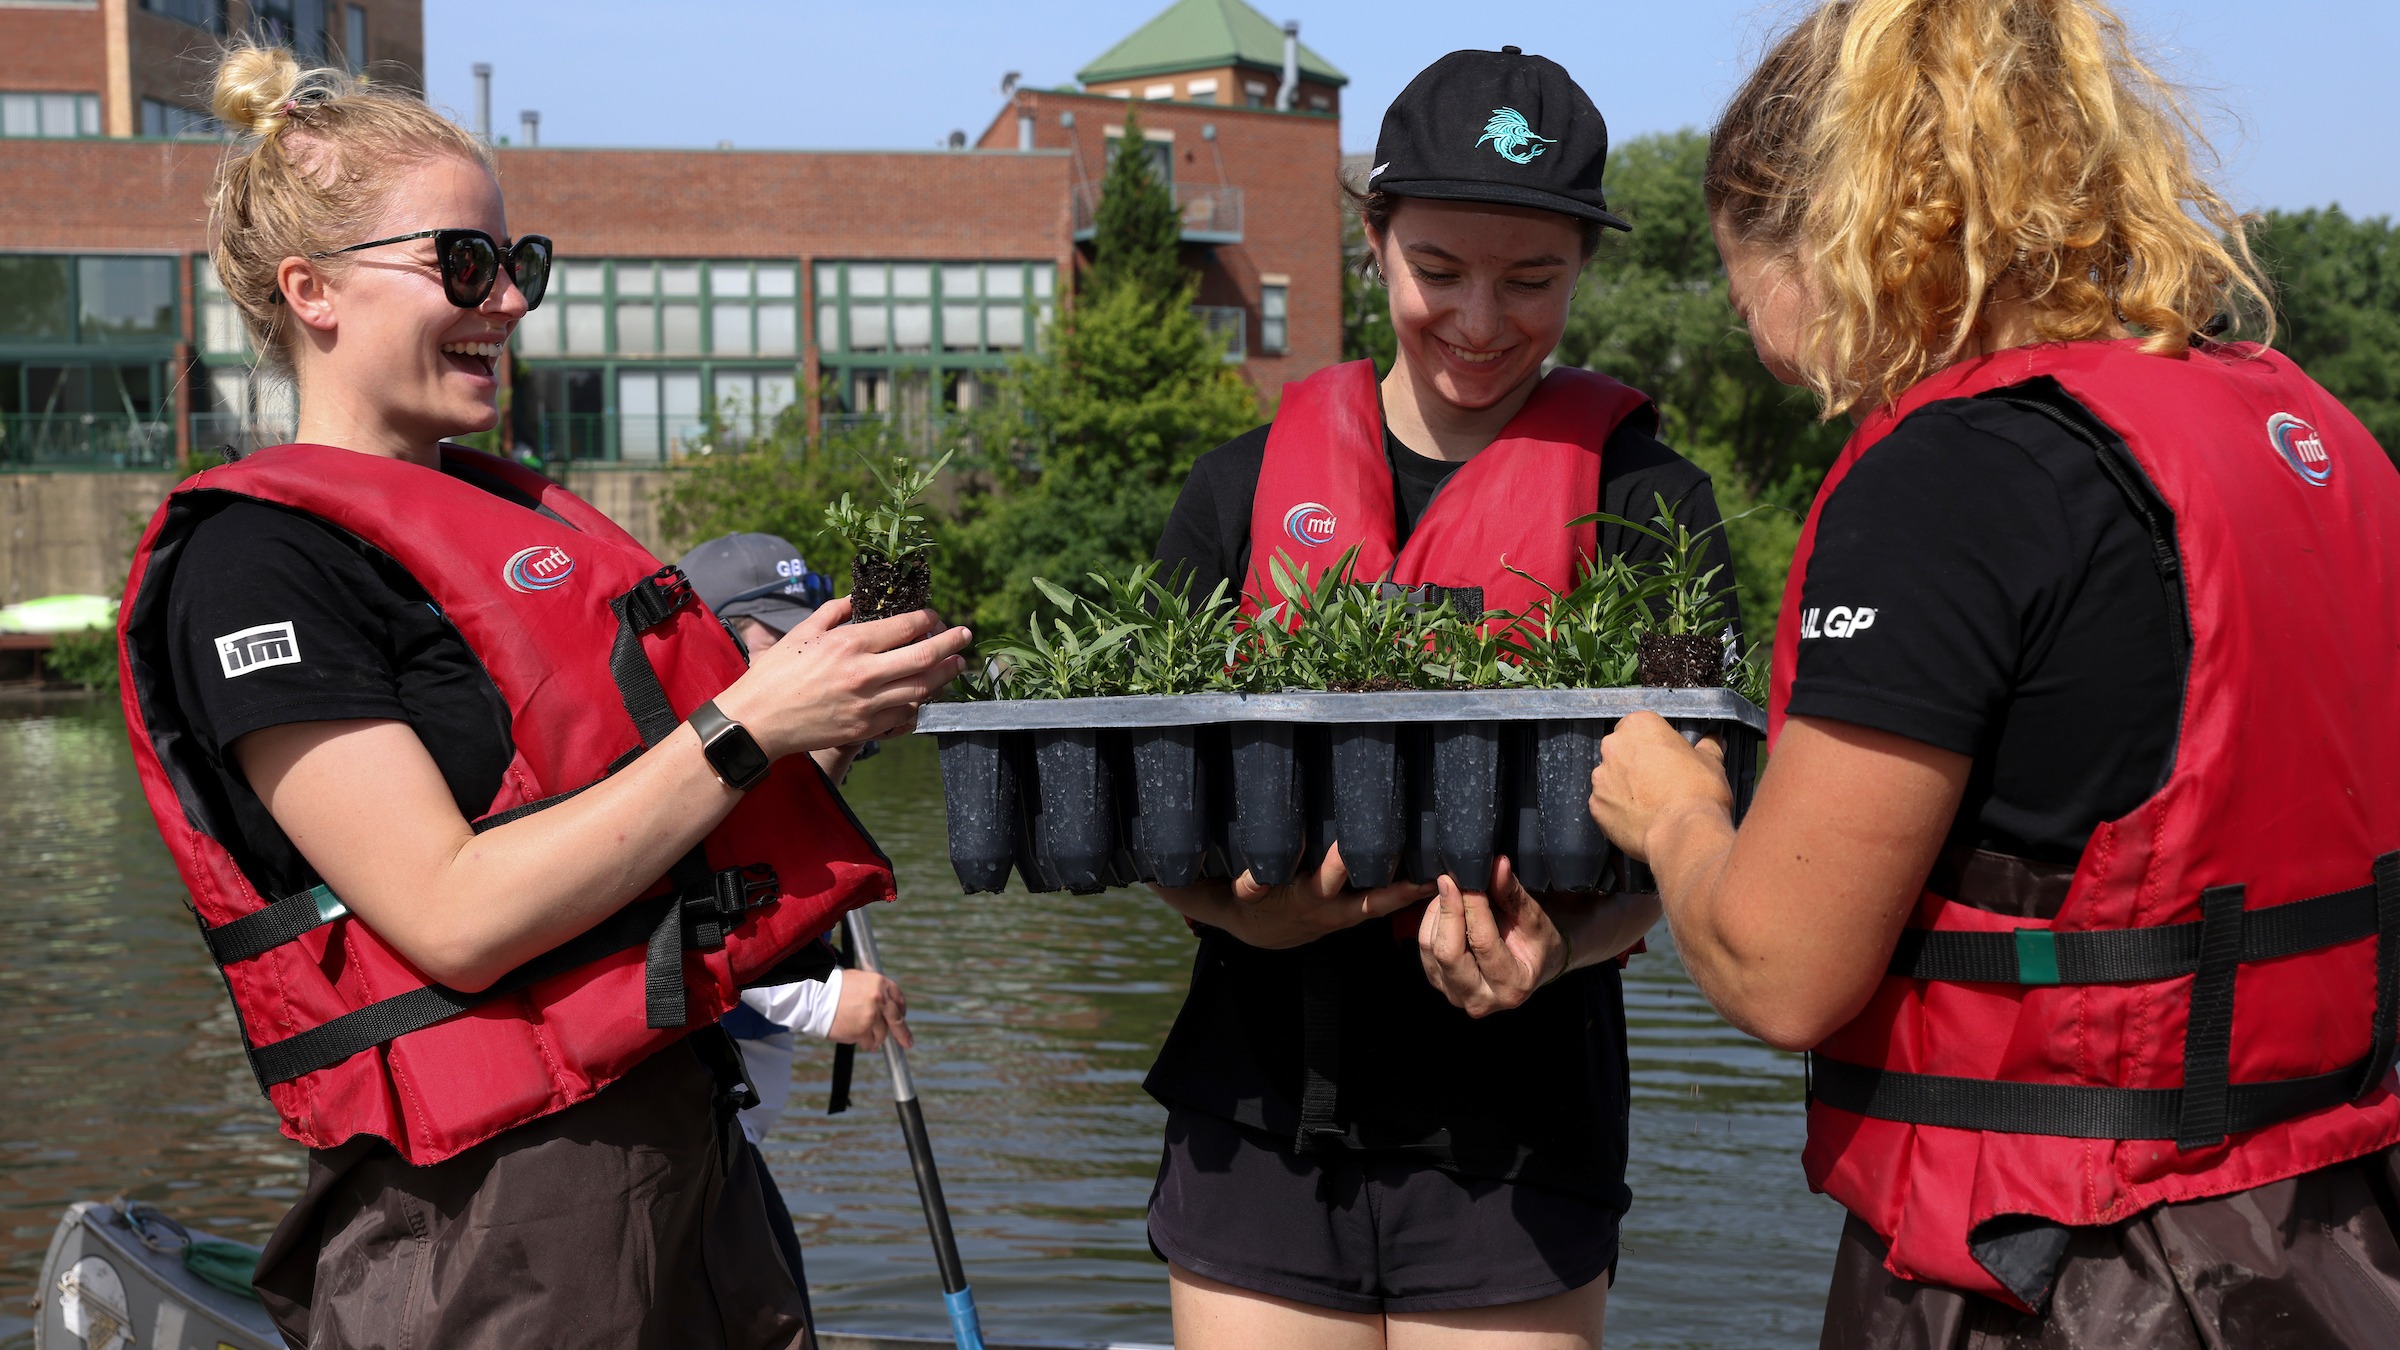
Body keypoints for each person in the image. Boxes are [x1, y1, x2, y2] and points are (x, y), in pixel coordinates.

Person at [114, 47, 969, 1350]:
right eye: (463, 264)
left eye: (523, 263)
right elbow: (452, 914)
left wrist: (822, 724)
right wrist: (749, 725)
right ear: (312, 290)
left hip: (687, 1153)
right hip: (491, 1223)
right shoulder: (256, 564)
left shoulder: (496, 518)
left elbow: (638, 823)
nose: (508, 300)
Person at [1586, 2, 2400, 1346]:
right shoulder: (2312, 433)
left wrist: (1673, 813)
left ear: (1843, 232)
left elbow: (1782, 968)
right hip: (2332, 1240)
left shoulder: (1953, 481)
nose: (1778, 363)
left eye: (1749, 303)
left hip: (2069, 1272)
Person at [1144, 46, 1735, 1349]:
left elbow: (1700, 825)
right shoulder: (1233, 491)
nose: (1480, 319)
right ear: (1375, 238)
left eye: (1532, 281)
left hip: (1524, 1133)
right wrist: (1258, 915)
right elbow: (1149, 809)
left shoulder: (1653, 504)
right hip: (1258, 1108)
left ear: (1585, 263)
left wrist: (1561, 947)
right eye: (1440, 271)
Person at [679, 531, 914, 1293]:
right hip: (678, 1147)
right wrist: (816, 999)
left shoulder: (788, 758)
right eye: (780, 639)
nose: (815, 660)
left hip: (733, 1137)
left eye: (819, 634)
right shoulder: (667, 771)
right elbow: (639, 933)